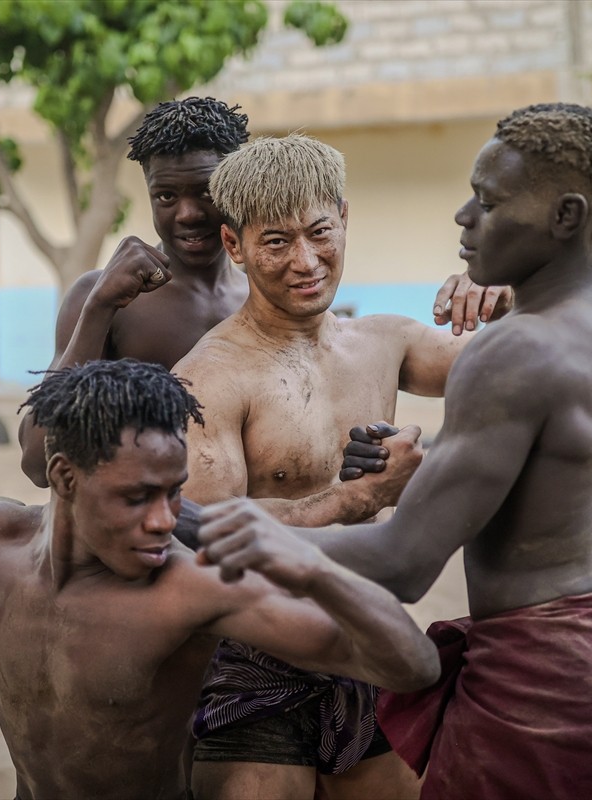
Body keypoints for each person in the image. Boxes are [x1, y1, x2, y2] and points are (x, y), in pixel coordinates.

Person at [198, 103, 592, 799]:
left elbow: (405, 557)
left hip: (515, 672)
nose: (463, 217)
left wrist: (268, 527)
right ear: (236, 245)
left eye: (486, 203)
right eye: (277, 242)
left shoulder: (423, 342)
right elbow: (533, 436)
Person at [0, 361, 439, 800]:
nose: (168, 520)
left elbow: (410, 667)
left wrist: (311, 568)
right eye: (139, 498)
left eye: (174, 493)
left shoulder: (190, 590)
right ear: (65, 479)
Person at [172, 134, 506, 799]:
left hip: (363, 636)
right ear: (234, 245)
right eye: (275, 242)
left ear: (344, 219)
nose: (306, 261)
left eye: (319, 232)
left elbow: (517, 365)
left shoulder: (385, 341)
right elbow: (207, 532)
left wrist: (508, 286)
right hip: (252, 655)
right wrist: (358, 500)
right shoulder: (209, 379)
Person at [18, 97, 252, 487]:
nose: (188, 213)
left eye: (206, 193)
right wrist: (99, 307)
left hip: (236, 535)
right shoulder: (103, 297)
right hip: (136, 536)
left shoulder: (261, 298)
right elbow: (37, 461)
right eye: (166, 196)